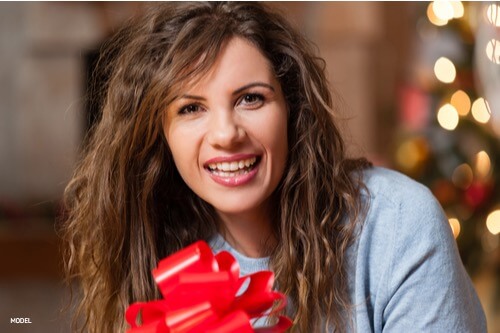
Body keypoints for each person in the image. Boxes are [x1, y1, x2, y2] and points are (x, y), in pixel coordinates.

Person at [61, 2, 486, 332]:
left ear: (292, 110)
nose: (226, 134)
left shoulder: (397, 225)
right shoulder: (159, 247)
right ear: (161, 135)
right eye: (191, 108)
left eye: (251, 98)